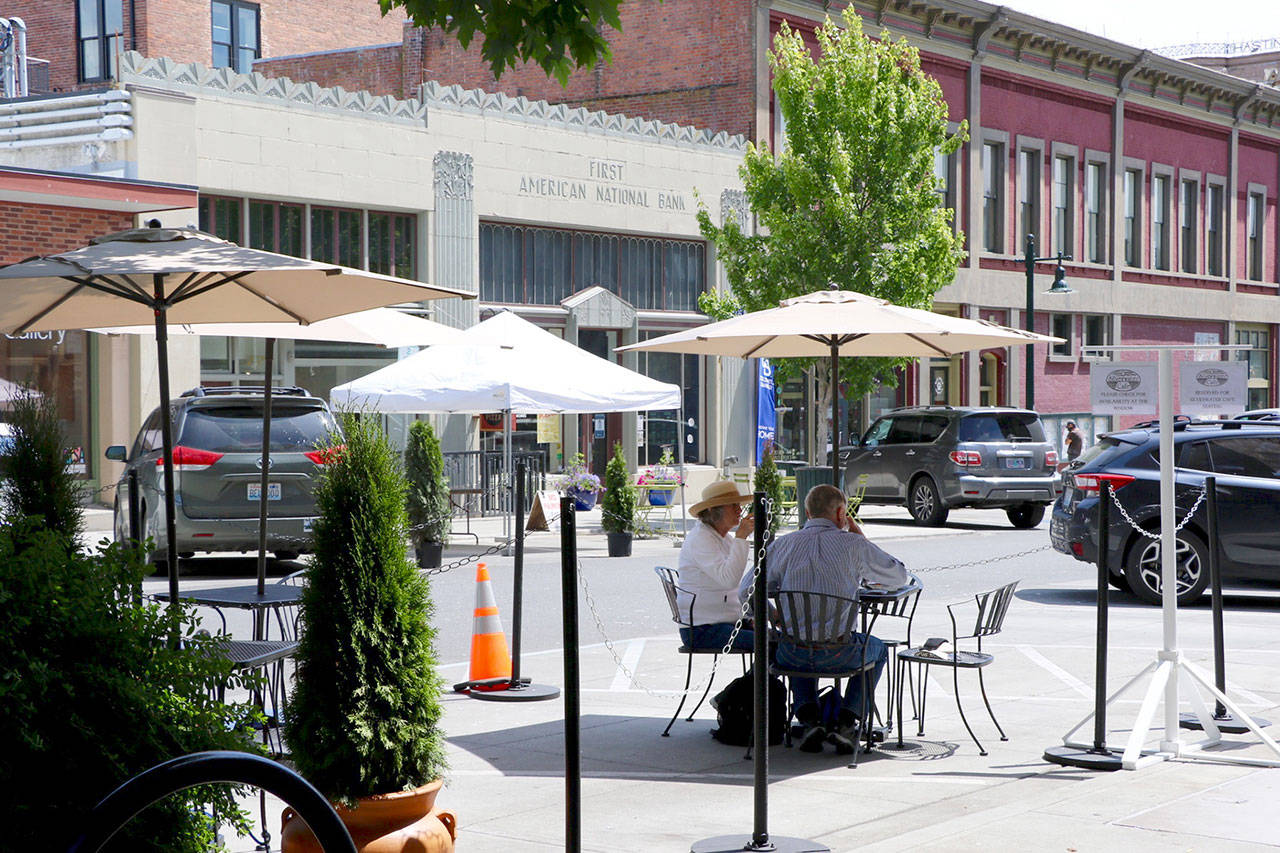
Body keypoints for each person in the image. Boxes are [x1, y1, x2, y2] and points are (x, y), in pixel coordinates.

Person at [744, 483, 908, 754]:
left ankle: (810, 721)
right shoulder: (853, 545)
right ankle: (846, 721)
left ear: (807, 512)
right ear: (842, 512)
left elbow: (745, 590)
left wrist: (773, 615)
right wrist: (861, 538)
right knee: (877, 650)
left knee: (798, 637)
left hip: (791, 654)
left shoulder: (783, 545)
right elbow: (898, 576)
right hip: (840, 654)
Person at [675, 480, 757, 651]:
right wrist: (741, 537)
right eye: (733, 505)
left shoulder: (723, 538)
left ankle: (756, 679)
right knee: (770, 644)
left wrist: (748, 617)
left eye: (739, 505)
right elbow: (729, 580)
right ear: (713, 510)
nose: (739, 510)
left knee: (779, 641)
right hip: (702, 629)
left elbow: (740, 588)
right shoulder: (701, 538)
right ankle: (756, 679)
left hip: (723, 621)